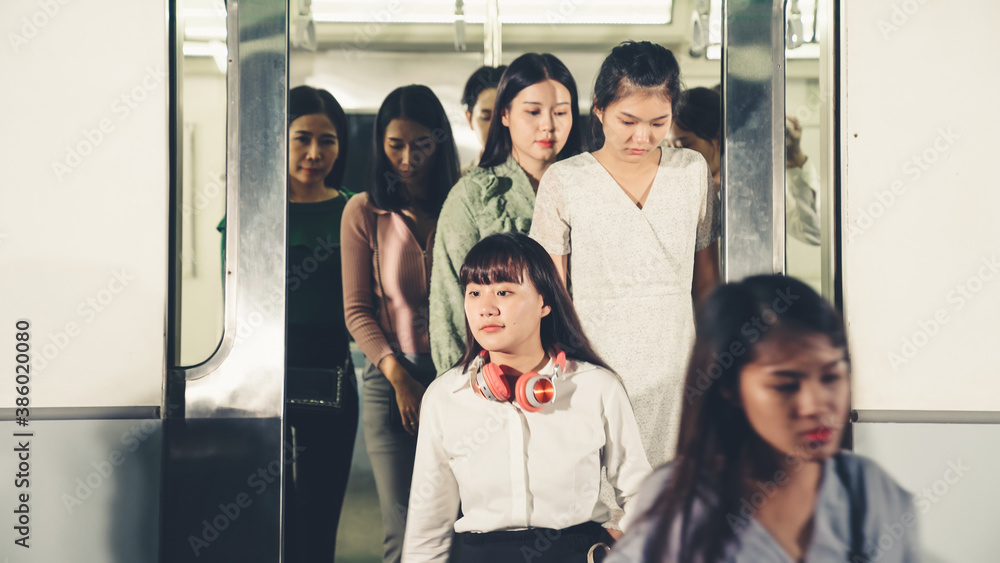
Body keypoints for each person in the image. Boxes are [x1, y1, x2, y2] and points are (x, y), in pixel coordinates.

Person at [607, 275, 920, 562]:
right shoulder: (680, 499)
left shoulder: (868, 491)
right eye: (785, 385)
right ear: (729, 386)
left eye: (830, 377)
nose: (815, 405)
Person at [403, 232, 652, 563]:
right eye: (474, 293)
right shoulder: (444, 396)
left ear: (544, 302)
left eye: (504, 291)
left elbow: (642, 495)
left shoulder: (596, 387)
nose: (486, 308)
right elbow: (428, 524)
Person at [530, 41, 720, 468]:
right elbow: (550, 295)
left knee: (671, 497)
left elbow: (707, 285)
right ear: (598, 109)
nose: (642, 137)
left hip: (678, 365)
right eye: (627, 120)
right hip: (594, 362)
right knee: (603, 500)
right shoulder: (565, 180)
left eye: (659, 122)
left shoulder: (691, 172)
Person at [219, 85, 358, 562]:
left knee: (320, 515)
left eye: (328, 140)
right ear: (280, 139)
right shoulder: (251, 212)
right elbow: (232, 300)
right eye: (302, 138)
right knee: (264, 516)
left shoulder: (353, 211)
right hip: (259, 379)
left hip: (332, 376)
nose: (315, 153)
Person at [341, 84, 460, 563]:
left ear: (440, 143)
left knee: (457, 521)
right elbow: (356, 310)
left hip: (458, 378)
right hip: (390, 380)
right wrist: (400, 378)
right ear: (380, 145)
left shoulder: (461, 203)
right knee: (405, 527)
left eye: (421, 145)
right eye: (395, 145)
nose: (408, 158)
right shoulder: (364, 212)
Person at [430, 52, 583, 374]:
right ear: (504, 114)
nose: (548, 125)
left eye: (561, 112)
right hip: (496, 376)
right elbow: (449, 305)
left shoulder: (591, 188)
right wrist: (458, 382)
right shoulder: (473, 196)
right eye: (532, 111)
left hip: (579, 369)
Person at [668, 86, 821, 245]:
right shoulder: (669, 195)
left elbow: (814, 232)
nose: (676, 158)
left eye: (683, 146)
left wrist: (796, 161)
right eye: (669, 147)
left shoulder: (758, 190)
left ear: (720, 139)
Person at [460, 64, 507, 173]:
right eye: (486, 117)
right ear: (469, 119)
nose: (495, 126)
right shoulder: (459, 181)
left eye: (504, 116)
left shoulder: (541, 179)